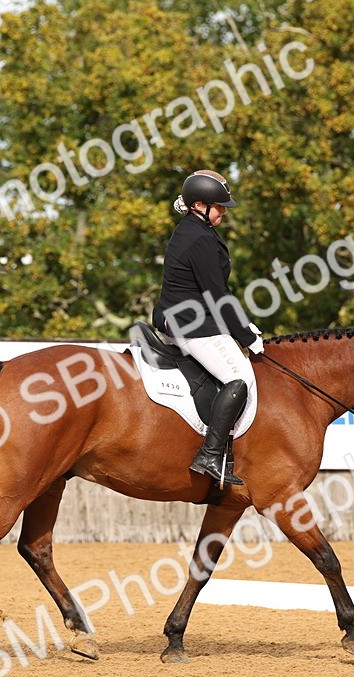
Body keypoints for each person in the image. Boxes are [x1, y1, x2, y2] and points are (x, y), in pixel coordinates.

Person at [151, 169, 264, 488]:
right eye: (220, 205)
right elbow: (217, 294)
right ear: (199, 205)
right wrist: (245, 334)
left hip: (183, 315)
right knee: (239, 377)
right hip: (191, 323)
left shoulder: (192, 228)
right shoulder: (199, 238)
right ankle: (210, 454)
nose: (225, 210)